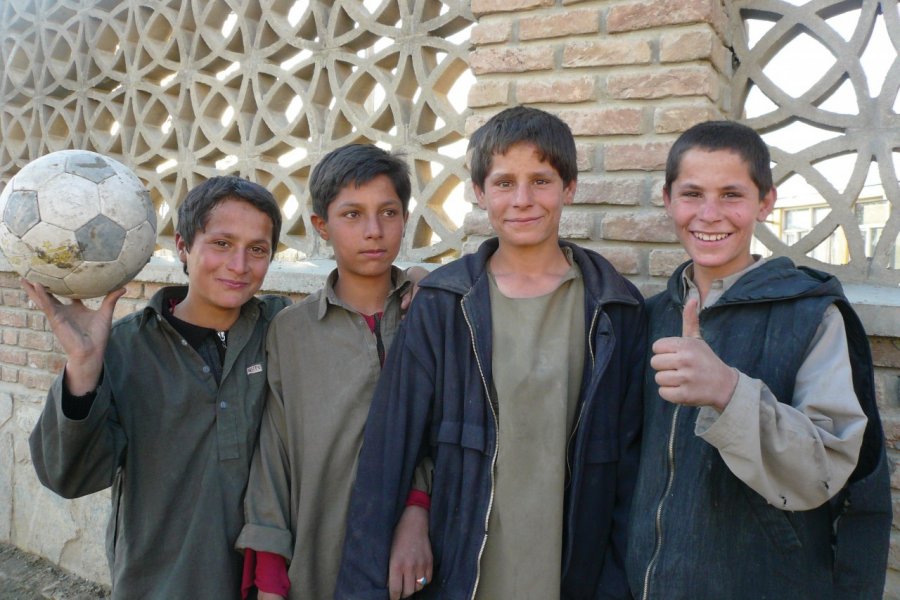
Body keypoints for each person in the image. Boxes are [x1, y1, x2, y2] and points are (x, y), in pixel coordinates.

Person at [335, 106, 646, 599]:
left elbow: (629, 472)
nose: (522, 200)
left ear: (569, 188)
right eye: (504, 183)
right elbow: (390, 450)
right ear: (480, 193)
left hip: (572, 575)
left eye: (540, 181)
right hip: (463, 573)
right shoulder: (443, 304)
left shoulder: (616, 310)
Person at [626, 120, 891, 599]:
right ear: (667, 200)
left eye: (731, 194)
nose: (709, 214)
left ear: (765, 203)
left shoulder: (812, 315)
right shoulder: (649, 316)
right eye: (692, 194)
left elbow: (826, 467)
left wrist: (728, 393)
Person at [28, 176, 290, 598]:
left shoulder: (281, 329)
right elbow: (67, 478)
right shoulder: (125, 348)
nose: (239, 265)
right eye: (221, 243)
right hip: (160, 583)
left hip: (267, 583)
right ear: (183, 246)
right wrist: (81, 369)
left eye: (257, 249)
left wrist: (419, 282)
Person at [236, 144, 432, 600]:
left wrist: (419, 505)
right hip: (321, 556)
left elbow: (444, 429)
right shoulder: (291, 330)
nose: (373, 231)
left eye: (388, 212)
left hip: (419, 554)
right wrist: (270, 577)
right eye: (352, 215)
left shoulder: (430, 313)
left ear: (406, 218)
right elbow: (275, 452)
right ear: (321, 226)